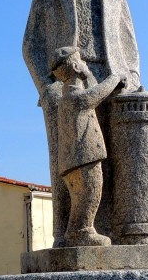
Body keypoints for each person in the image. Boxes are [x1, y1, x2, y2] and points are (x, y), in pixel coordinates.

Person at [23, 0, 141, 247]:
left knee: (113, 164)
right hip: (67, 84)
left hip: (111, 81)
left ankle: (121, 235)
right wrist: (47, 89)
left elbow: (130, 45)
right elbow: (30, 45)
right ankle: (71, 233)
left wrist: (129, 79)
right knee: (71, 166)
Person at [49, 46, 127, 246]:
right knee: (90, 192)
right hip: (84, 157)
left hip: (74, 160)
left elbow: (92, 88)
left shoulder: (67, 98)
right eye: (81, 62)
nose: (84, 65)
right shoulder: (75, 98)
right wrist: (115, 77)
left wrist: (88, 73)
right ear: (75, 66)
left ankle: (76, 230)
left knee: (81, 196)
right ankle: (82, 230)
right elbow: (97, 93)